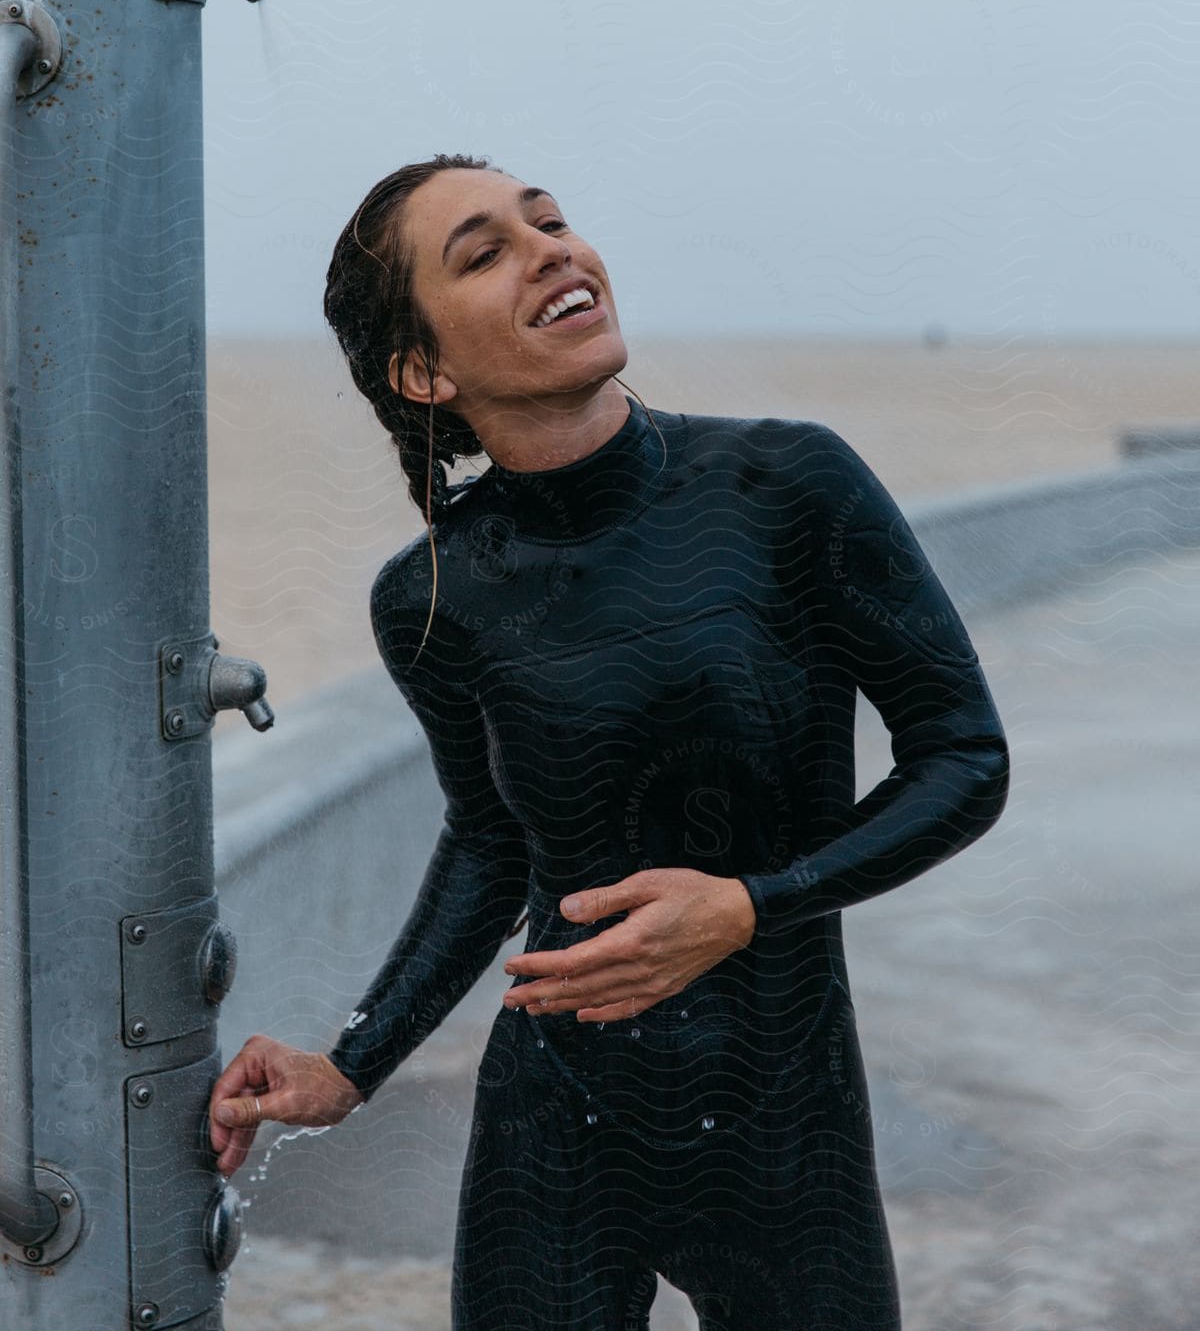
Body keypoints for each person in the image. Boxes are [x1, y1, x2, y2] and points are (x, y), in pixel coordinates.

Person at [208, 154, 1010, 1329]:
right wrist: (353, 1064)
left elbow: (964, 757)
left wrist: (749, 904)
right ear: (423, 370)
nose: (552, 250)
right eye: (485, 253)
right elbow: (491, 842)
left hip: (782, 1122)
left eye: (551, 221)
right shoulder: (432, 594)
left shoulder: (786, 485)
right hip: (556, 1121)